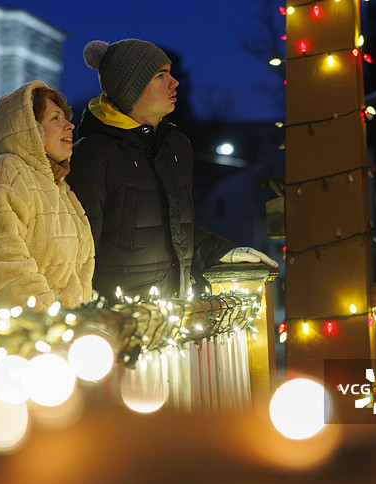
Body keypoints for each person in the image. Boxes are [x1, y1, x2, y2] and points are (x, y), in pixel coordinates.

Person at [67, 38, 277, 301]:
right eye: (160, 75)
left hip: (173, 314)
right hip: (117, 322)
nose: (174, 82)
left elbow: (173, 227)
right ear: (132, 87)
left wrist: (221, 251)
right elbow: (79, 249)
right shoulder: (93, 154)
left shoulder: (175, 145)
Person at [0, 80, 94, 313]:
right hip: (9, 336)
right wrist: (48, 316)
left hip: (62, 334)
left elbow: (81, 268)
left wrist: (78, 315)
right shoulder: (3, 174)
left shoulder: (60, 189)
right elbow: (0, 262)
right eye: (55, 118)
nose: (69, 126)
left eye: (65, 117)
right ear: (28, 129)